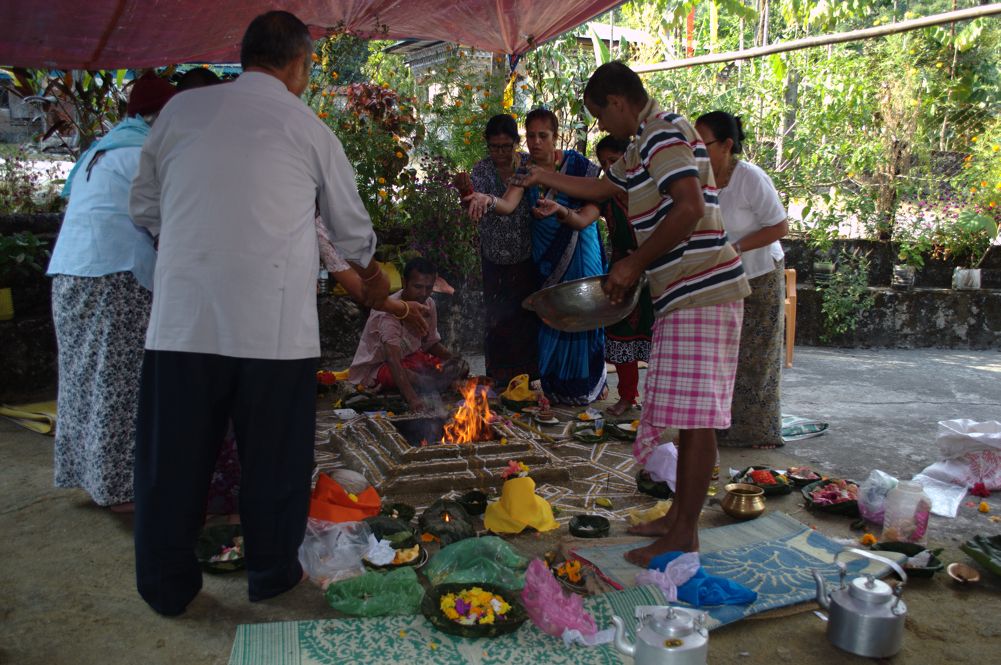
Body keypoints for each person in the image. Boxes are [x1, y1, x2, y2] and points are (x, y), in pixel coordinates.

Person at [128, 10, 389, 616]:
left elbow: (143, 204)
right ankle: (270, 576)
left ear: (244, 56)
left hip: (184, 323)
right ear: (298, 65)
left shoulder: (181, 112)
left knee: (173, 460)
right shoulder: (308, 128)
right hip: (273, 334)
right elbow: (352, 235)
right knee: (273, 462)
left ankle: (166, 587)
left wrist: (200, 248)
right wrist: (374, 280)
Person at [513, 62, 750, 563]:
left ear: (618, 103)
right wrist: (541, 175)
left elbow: (687, 208)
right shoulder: (643, 142)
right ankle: (678, 518)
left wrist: (633, 263)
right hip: (683, 291)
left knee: (698, 421)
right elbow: (605, 189)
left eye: (600, 117)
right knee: (689, 417)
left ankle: (684, 531)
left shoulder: (663, 134)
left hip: (702, 288)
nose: (602, 128)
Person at [46, 72, 177, 512]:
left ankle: (94, 478)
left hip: (71, 272)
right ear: (156, 115)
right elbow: (160, 219)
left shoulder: (99, 151)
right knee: (119, 384)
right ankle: (120, 489)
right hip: (114, 275)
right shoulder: (143, 151)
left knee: (85, 380)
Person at [465, 109, 607, 405]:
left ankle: (588, 383)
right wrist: (487, 199)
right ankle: (555, 384)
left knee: (583, 310)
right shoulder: (524, 170)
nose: (536, 142)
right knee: (554, 313)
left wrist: (564, 213)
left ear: (557, 136)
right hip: (545, 257)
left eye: (543, 136)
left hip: (580, 250)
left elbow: (591, 211)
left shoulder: (578, 166)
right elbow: (506, 204)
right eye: (531, 135)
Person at [696, 111, 789, 449]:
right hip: (721, 278)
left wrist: (737, 247)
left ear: (726, 145)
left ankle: (758, 432)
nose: (696, 150)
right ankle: (720, 426)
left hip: (760, 274)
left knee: (757, 356)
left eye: (702, 143)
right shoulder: (699, 179)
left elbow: (780, 227)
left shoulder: (749, 177)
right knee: (722, 354)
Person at [469, 113, 539, 386]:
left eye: (505, 146)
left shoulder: (528, 166)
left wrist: (487, 200)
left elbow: (509, 204)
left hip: (526, 255)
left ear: (515, 143)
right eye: (494, 146)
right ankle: (497, 378)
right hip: (494, 255)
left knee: (525, 317)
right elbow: (478, 204)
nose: (499, 153)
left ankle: (527, 379)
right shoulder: (482, 170)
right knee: (496, 318)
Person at [348, 257, 469, 413]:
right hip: (379, 367)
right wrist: (413, 399)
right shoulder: (388, 312)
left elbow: (429, 343)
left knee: (451, 365)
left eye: (428, 287)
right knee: (413, 376)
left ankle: (430, 382)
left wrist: (453, 359)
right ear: (405, 283)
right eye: (418, 287)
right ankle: (428, 384)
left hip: (409, 358)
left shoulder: (429, 304)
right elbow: (393, 360)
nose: (423, 293)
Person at [594, 135, 654, 417]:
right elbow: (584, 214)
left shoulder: (653, 189)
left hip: (657, 270)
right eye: (603, 163)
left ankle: (659, 402)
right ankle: (627, 396)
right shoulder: (606, 198)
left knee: (659, 337)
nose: (608, 167)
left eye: (613, 161)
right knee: (621, 334)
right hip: (621, 273)